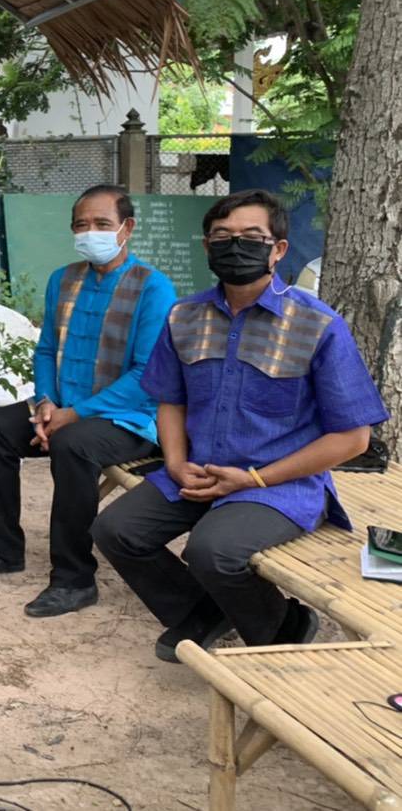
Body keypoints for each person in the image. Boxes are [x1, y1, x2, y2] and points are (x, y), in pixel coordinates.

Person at [92, 189, 387, 662]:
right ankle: (205, 611)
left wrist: (255, 478)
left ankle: (281, 627)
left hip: (277, 483)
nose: (236, 246)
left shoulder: (318, 325)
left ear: (279, 249)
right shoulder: (184, 317)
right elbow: (171, 399)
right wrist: (175, 461)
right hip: (198, 469)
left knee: (212, 550)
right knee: (115, 529)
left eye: (252, 236)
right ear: (207, 247)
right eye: (222, 236)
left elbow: (354, 438)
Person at [0, 185, 178, 618]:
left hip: (129, 418)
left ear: (126, 229)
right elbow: (46, 351)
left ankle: (74, 579)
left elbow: (148, 375)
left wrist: (74, 415)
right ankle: (2, 550)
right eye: (81, 225)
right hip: (63, 406)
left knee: (74, 445)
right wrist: (46, 403)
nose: (89, 232)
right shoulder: (64, 279)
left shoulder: (153, 288)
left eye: (102, 225)